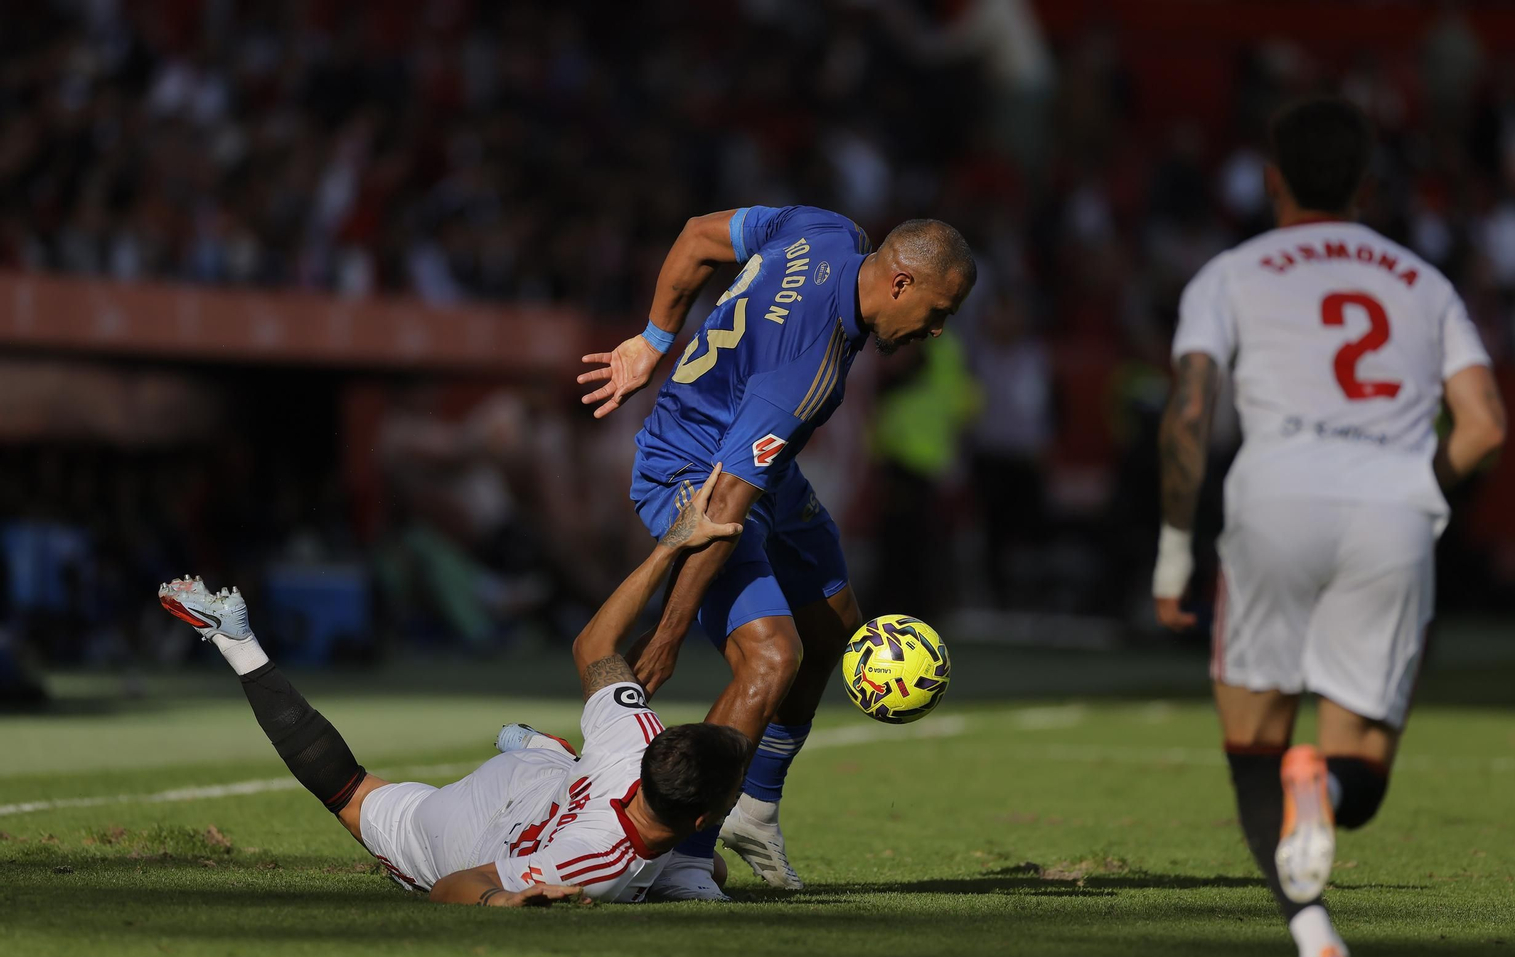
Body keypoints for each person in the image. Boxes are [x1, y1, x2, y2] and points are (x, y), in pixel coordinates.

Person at [1152, 98, 1507, 957]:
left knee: (1254, 750)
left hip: (1274, 501)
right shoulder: (1424, 281)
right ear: (1367, 186)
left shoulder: (1229, 274)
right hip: (1390, 508)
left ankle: (1319, 949)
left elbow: (1188, 414)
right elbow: (1485, 427)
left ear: (1272, 180)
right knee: (1362, 768)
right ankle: (1331, 790)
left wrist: (1174, 552)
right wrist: (1416, 489)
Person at [577, 207, 976, 898]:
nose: (937, 330)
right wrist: (670, 634)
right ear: (901, 283)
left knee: (833, 627)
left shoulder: (828, 232)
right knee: (771, 658)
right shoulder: (806, 366)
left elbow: (698, 235)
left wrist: (652, 339)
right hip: (693, 474)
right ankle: (684, 860)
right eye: (938, 312)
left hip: (763, 470)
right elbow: (724, 506)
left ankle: (754, 808)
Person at [158, 466, 752, 906]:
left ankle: (549, 751)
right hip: (463, 837)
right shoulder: (597, 867)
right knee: (350, 794)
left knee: (704, 871)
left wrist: (669, 545)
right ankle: (238, 644)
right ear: (703, 820)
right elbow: (456, 887)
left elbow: (593, 646)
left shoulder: (638, 739)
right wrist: (504, 902)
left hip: (540, 785)